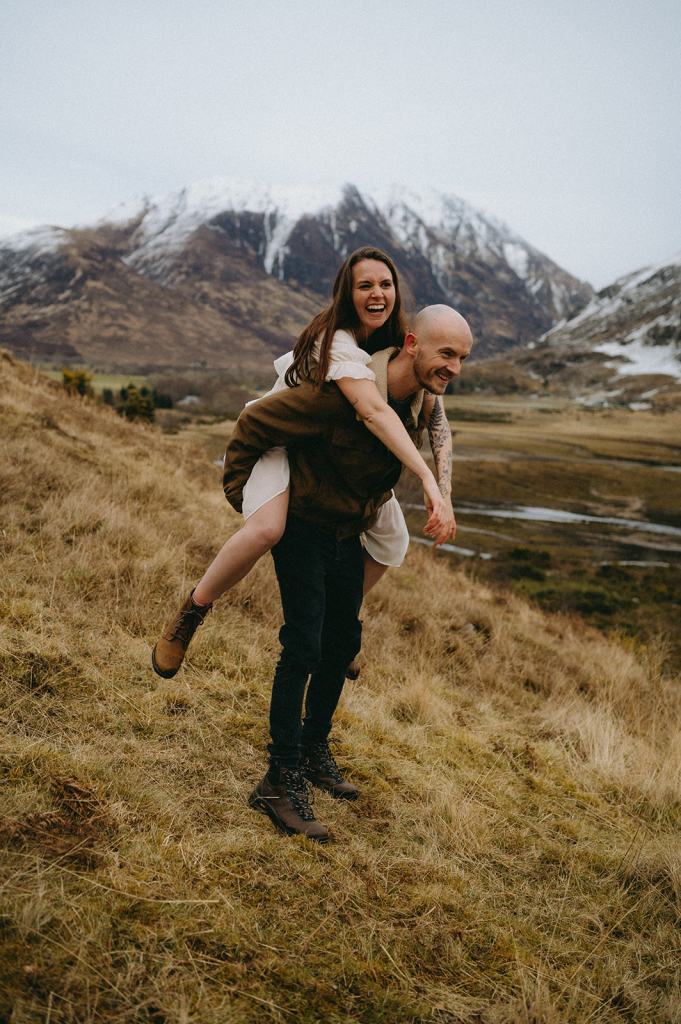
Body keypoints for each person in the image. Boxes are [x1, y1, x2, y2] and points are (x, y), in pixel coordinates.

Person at [222, 305, 474, 842]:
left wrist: (442, 492)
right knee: (303, 647)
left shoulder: (423, 393)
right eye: (446, 354)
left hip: (344, 523)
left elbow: (437, 426)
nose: (454, 367)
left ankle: (313, 750)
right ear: (411, 343)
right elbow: (260, 419)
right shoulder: (346, 386)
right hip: (302, 518)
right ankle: (278, 778)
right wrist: (243, 484)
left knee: (341, 639)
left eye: (462, 358)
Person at [152, 247, 456, 680]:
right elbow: (373, 411)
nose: (377, 294)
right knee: (267, 529)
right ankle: (192, 612)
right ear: (345, 294)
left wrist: (445, 494)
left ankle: (339, 625)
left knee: (392, 541)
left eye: (385, 285)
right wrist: (425, 478)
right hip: (283, 442)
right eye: (364, 285)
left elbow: (437, 414)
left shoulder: (396, 340)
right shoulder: (336, 343)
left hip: (331, 453)